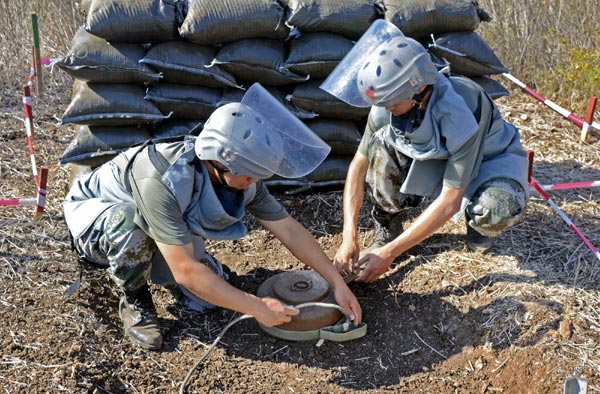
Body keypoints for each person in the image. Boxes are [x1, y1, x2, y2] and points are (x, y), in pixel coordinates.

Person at [63, 83, 362, 350]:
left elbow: (288, 229)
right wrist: (257, 306)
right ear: (221, 161)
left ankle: (162, 263)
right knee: (130, 224)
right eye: (249, 176)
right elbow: (186, 271)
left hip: (162, 221)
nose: (254, 182)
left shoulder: (241, 175)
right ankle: (135, 299)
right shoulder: (160, 177)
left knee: (207, 300)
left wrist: (336, 282)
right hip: (99, 218)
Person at [321, 20, 529, 283]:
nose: (387, 108)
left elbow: (449, 200)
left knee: (496, 207)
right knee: (380, 148)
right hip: (437, 158)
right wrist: (349, 235)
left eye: (392, 103)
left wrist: (390, 254)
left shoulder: (461, 110)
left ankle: (480, 228)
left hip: (489, 161)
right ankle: (388, 224)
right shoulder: (388, 104)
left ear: (418, 87)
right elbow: (358, 165)